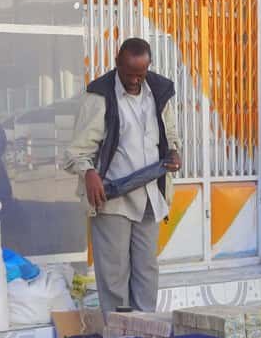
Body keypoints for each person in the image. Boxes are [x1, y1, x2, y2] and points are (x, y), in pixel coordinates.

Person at [65, 38, 182, 313]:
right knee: (115, 275)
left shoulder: (160, 92)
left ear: (148, 67)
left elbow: (171, 135)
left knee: (146, 271)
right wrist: (89, 172)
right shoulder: (98, 97)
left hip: (151, 196)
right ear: (117, 63)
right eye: (129, 74)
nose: (134, 81)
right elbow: (74, 153)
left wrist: (174, 152)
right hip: (112, 199)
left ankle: (144, 333)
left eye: (140, 75)